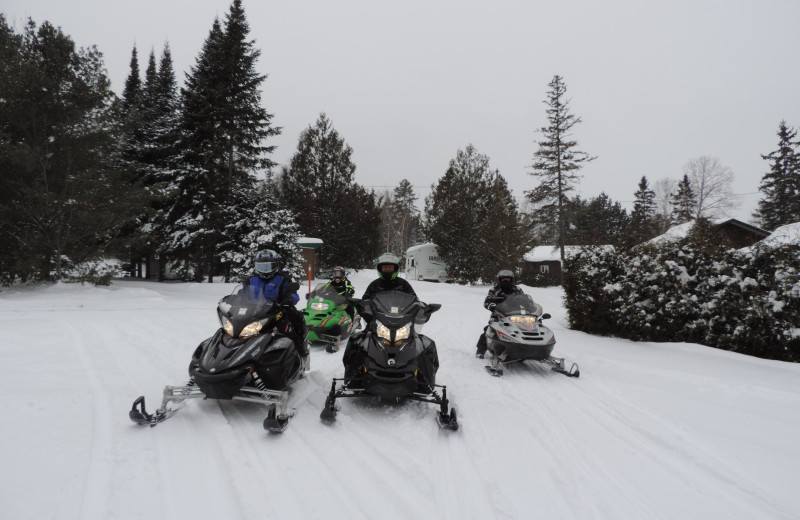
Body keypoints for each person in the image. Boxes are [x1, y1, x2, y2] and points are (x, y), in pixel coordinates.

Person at [343, 252, 417, 380]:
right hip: (377, 322)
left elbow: (414, 300)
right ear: (380, 269)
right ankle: (352, 377)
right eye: (385, 267)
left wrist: (419, 308)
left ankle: (420, 375)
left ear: (395, 268)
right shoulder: (374, 285)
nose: (387, 269)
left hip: (401, 323)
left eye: (390, 267)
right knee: (356, 343)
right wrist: (362, 308)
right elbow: (365, 301)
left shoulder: (403, 284)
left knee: (422, 345)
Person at [244, 250, 309, 359]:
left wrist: (289, 300)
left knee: (290, 331)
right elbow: (243, 294)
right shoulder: (251, 280)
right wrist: (234, 302)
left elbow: (293, 294)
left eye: (268, 267)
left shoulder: (283, 279)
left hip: (278, 312)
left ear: (275, 265)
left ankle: (300, 354)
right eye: (261, 266)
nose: (264, 270)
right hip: (254, 314)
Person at [475, 269, 524, 358]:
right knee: (489, 330)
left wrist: (530, 306)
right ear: (500, 280)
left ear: (512, 280)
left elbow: (525, 300)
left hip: (516, 316)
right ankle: (480, 350)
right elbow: (487, 301)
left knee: (525, 330)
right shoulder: (495, 290)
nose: (506, 281)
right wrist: (491, 305)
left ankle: (526, 349)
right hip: (498, 316)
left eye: (508, 279)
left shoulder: (517, 290)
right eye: (504, 279)